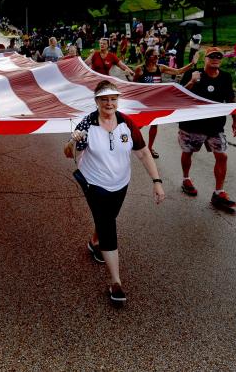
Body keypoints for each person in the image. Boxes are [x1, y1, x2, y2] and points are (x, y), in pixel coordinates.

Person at [63, 81, 165, 305]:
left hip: (121, 183)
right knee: (109, 225)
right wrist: (74, 140)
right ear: (97, 101)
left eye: (113, 99)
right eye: (104, 99)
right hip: (94, 184)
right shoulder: (87, 124)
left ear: (118, 101)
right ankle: (116, 282)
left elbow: (143, 153)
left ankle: (94, 242)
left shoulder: (126, 123)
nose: (109, 103)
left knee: (109, 218)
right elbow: (68, 152)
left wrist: (156, 181)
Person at [178, 47, 236, 209]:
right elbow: (179, 96)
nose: (215, 59)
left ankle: (219, 192)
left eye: (219, 56)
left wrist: (235, 120)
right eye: (211, 56)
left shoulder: (225, 77)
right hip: (192, 125)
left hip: (215, 126)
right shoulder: (194, 74)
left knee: (222, 156)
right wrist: (192, 81)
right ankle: (186, 179)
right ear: (205, 59)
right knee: (188, 152)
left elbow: (230, 100)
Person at [133, 48, 200, 158]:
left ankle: (149, 148)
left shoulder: (161, 68)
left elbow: (178, 71)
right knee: (139, 125)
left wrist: (192, 64)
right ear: (148, 57)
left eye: (158, 56)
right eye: (155, 56)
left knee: (154, 124)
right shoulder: (140, 69)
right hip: (144, 102)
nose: (157, 58)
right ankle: (128, 139)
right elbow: (134, 85)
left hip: (157, 101)